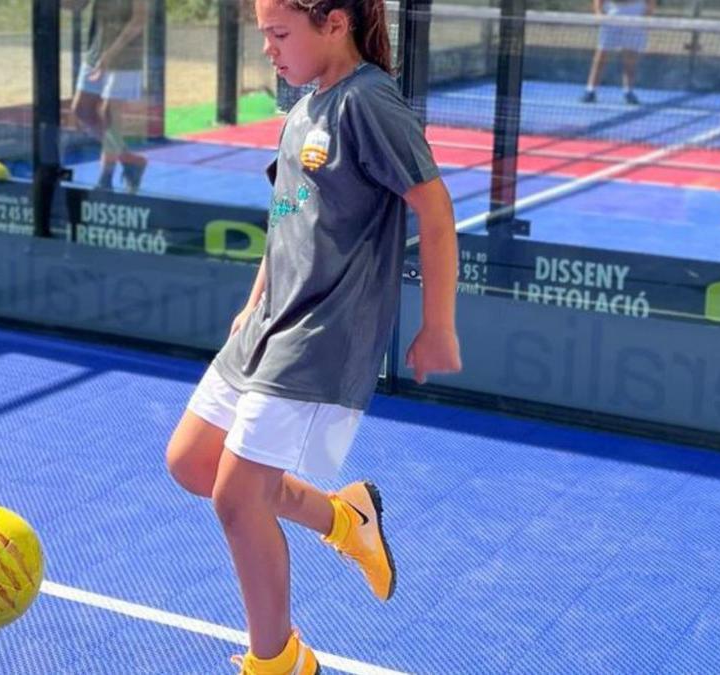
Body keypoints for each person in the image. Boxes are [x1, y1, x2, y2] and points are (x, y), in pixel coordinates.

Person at [164, 0, 463, 670]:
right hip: (267, 328)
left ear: (335, 24)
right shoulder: (303, 107)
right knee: (190, 460)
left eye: (278, 33)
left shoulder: (369, 102)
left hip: (321, 336)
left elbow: (435, 209)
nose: (267, 48)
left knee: (238, 500)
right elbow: (286, 221)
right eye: (262, 34)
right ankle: (344, 519)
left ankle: (279, 662)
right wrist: (252, 303)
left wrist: (437, 323)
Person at [68, 0, 149, 193]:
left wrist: (111, 54)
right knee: (82, 110)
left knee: (109, 115)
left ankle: (105, 180)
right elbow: (77, 4)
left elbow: (140, 19)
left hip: (125, 56)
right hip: (96, 51)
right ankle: (130, 160)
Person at [581, 0, 655, 105]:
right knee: (602, 52)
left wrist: (648, 14)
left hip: (636, 10)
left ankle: (628, 91)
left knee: (630, 55)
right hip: (612, 10)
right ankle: (590, 90)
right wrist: (598, 12)